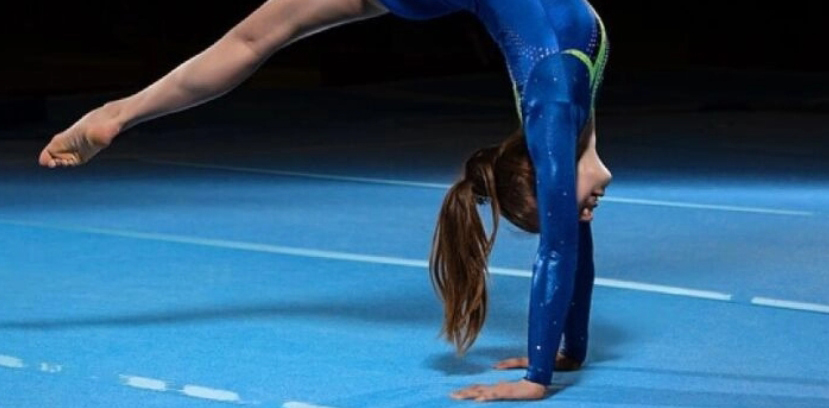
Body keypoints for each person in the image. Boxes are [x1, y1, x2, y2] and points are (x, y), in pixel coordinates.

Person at [38, 0, 612, 402]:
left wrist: (567, 353)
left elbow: (568, 234)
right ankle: (118, 113)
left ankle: (120, 111)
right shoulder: (554, 105)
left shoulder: (559, 116)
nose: (581, 211)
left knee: (254, 38)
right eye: (564, 206)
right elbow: (561, 242)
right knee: (253, 39)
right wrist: (538, 376)